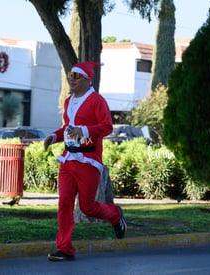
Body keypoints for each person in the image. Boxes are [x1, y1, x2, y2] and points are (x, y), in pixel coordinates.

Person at [44, 61, 127, 262]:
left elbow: (107, 126)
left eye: (75, 77)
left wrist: (85, 131)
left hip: (89, 161)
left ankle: (115, 215)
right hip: (68, 160)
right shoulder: (67, 102)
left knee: (87, 207)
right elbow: (68, 128)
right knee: (64, 203)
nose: (71, 80)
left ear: (88, 79)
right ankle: (64, 248)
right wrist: (54, 137)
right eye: (70, 76)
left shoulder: (97, 101)